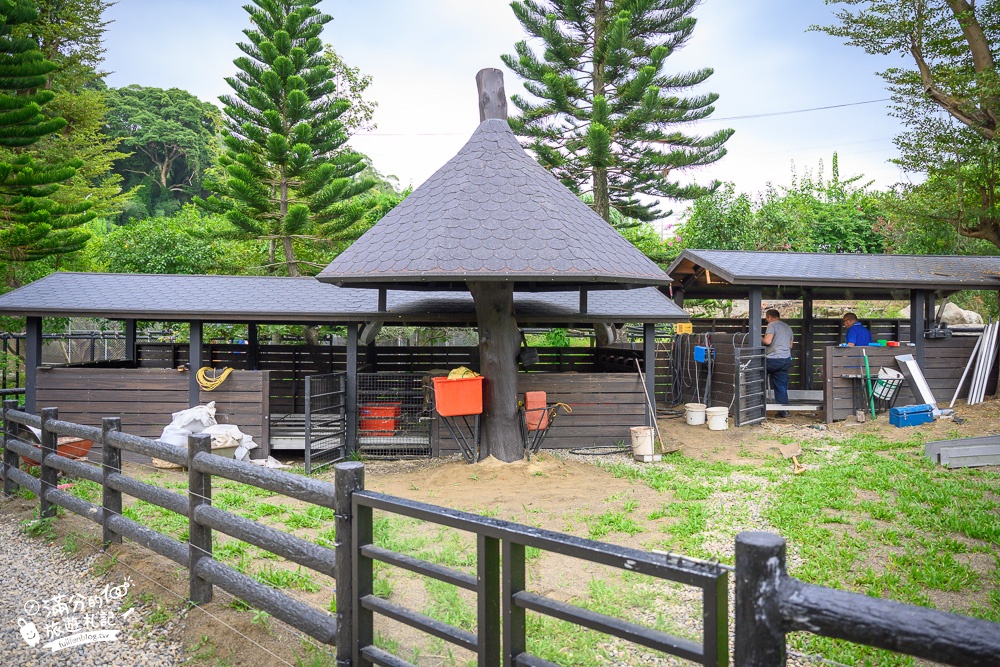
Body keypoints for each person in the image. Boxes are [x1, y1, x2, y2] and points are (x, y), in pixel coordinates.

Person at [762, 308, 793, 418]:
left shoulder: (772, 325)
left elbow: (767, 341)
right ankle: (784, 411)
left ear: (770, 317)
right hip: (785, 360)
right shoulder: (788, 327)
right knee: (781, 386)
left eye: (767, 319)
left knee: (757, 376)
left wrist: (760, 338)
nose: (767, 321)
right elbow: (790, 346)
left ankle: (756, 407)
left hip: (773, 359)